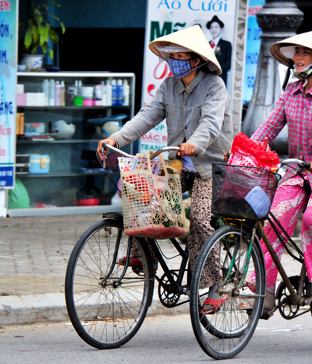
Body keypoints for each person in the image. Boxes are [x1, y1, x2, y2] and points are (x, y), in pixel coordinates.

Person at [97, 25, 233, 313]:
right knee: (144, 196)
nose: (173, 60)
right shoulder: (169, 86)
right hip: (178, 164)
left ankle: (214, 286)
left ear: (196, 59)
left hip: (210, 167)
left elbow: (211, 123)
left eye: (179, 55)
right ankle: (142, 256)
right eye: (170, 55)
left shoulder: (214, 87)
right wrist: (115, 138)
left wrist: (194, 144)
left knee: (199, 220)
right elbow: (146, 116)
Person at [238, 31, 312, 311]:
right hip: (297, 173)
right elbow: (267, 128)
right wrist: (244, 150)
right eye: (297, 53)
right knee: (273, 222)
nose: (299, 58)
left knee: (310, 222)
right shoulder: (290, 92)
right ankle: (264, 289)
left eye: (305, 53)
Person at [206, 15, 232, 87]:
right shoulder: (206, 44)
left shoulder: (226, 44)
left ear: (221, 29)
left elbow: (228, 64)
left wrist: (216, 70)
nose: (214, 29)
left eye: (216, 27)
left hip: (220, 79)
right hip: (206, 79)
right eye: (211, 27)